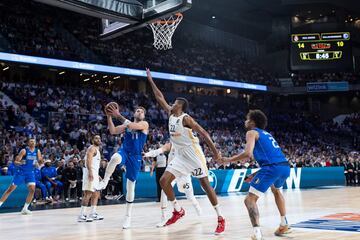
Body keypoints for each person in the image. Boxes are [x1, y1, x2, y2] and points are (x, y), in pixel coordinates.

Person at [146, 68, 225, 234]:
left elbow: (203, 133)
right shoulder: (171, 114)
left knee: (205, 185)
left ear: (180, 107)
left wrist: (215, 152)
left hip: (193, 154)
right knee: (163, 181)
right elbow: (159, 96)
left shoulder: (186, 118)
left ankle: (220, 217)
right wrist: (150, 79)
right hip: (181, 155)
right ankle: (177, 210)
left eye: (175, 103)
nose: (172, 104)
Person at [220, 109, 291, 240]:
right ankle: (284, 223)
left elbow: (247, 154)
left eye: (247, 119)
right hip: (285, 167)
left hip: (272, 168)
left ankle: (257, 234)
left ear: (253, 122)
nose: (245, 121)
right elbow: (272, 157)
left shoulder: (251, 132)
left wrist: (228, 159)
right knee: (276, 191)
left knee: (249, 200)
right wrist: (257, 173)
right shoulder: (267, 134)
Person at [97, 104, 148, 229]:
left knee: (130, 186)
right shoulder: (126, 125)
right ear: (134, 114)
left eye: (141, 111)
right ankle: (105, 181)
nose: (139, 112)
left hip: (135, 156)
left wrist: (117, 115)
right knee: (114, 158)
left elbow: (131, 126)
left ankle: (128, 216)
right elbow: (113, 131)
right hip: (125, 151)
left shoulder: (144, 124)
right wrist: (109, 117)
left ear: (144, 116)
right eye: (137, 110)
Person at [144, 142, 202, 227]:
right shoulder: (171, 144)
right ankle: (163, 218)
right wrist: (147, 154)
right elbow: (160, 150)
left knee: (190, 197)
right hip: (172, 173)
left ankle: (196, 206)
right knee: (164, 191)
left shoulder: (186, 145)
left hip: (183, 174)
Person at [0, 138, 43, 214]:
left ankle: (25, 209)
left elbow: (40, 161)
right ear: (28, 143)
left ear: (36, 143)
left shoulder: (37, 151)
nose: (32, 142)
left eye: (34, 141)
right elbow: (16, 162)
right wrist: (21, 163)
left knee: (32, 190)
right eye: (31, 141)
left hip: (30, 173)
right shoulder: (24, 151)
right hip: (21, 172)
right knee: (11, 189)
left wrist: (40, 162)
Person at [78, 135, 104, 222]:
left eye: (99, 138)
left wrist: (97, 175)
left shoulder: (97, 149)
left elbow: (94, 164)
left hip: (94, 173)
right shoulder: (91, 148)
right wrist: (90, 172)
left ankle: (93, 213)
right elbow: (88, 161)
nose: (98, 139)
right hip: (90, 173)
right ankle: (82, 215)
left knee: (96, 194)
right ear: (92, 140)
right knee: (88, 193)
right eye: (96, 138)